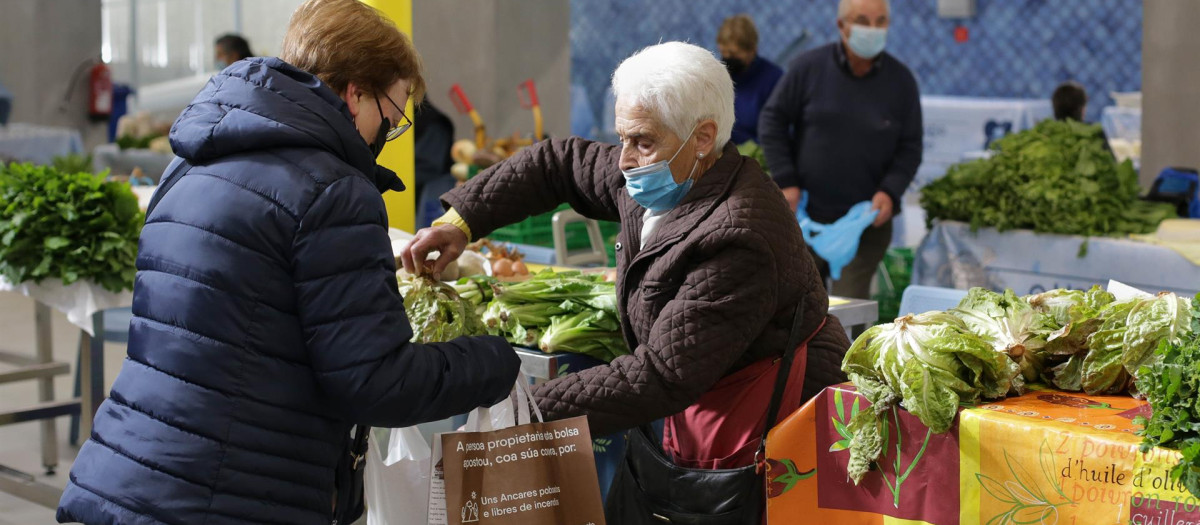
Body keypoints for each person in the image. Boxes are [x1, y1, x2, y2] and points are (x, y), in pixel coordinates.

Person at [57, 1, 520, 524]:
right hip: (229, 497)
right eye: (393, 114)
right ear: (355, 92)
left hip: (121, 476)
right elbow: (377, 384)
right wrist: (493, 360)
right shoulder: (334, 190)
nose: (389, 132)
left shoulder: (189, 164)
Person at [402, 41, 849, 491]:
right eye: (622, 138)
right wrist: (460, 221)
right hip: (713, 402)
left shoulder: (739, 235)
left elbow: (661, 375)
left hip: (778, 427)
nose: (625, 159)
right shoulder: (665, 177)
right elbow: (557, 163)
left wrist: (522, 409)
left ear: (703, 137)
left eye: (643, 142)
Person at [758, 0, 922, 300]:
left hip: (866, 224)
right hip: (805, 217)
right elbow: (772, 120)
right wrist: (786, 180)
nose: (872, 29)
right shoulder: (807, 68)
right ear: (841, 26)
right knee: (800, 307)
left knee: (849, 310)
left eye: (880, 21)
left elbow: (910, 147)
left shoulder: (901, 81)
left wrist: (890, 190)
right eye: (862, 20)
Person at [718, 14, 784, 145]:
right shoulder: (717, 76)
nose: (727, 58)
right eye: (723, 52)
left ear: (752, 50)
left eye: (733, 54)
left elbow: (778, 133)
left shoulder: (774, 80)